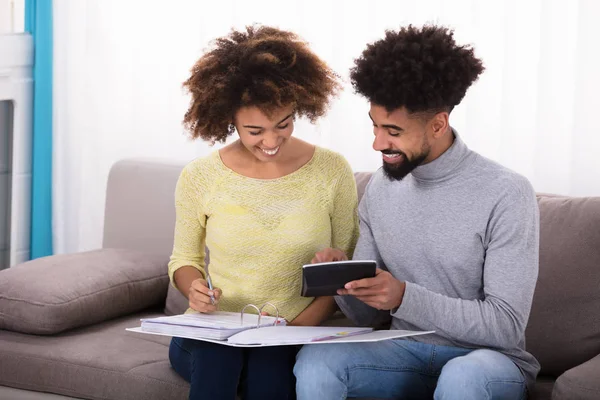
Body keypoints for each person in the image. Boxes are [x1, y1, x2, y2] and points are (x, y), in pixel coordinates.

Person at [294, 24, 540, 400]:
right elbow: (367, 318)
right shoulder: (380, 187)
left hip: (487, 360)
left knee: (462, 377)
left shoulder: (507, 192)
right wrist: (345, 281)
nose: (378, 143)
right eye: (375, 127)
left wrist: (403, 296)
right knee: (318, 360)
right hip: (403, 348)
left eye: (393, 131)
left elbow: (505, 326)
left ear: (438, 124)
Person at [167, 25, 359, 400]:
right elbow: (183, 259)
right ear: (229, 119)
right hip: (214, 330)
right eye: (254, 130)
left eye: (283, 124)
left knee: (267, 377)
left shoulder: (332, 170)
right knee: (218, 359)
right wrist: (193, 289)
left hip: (293, 329)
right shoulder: (200, 176)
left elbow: (347, 265)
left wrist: (294, 328)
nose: (271, 141)